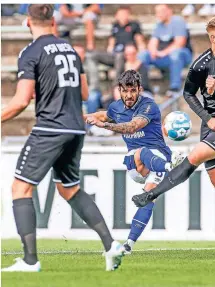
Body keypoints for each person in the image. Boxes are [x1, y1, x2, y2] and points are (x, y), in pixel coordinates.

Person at [1, 4, 125, 272]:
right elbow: (82, 92)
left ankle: (30, 261)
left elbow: (21, 101)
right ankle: (110, 244)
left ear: (27, 23)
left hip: (50, 128)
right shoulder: (70, 49)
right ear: (54, 21)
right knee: (69, 188)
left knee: (20, 189)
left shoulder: (30, 52)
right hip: (76, 128)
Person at [132, 16, 215, 248]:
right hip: (212, 123)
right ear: (213, 38)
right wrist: (207, 117)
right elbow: (188, 94)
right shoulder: (200, 64)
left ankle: (151, 195)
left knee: (194, 156)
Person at [84, 70, 184, 254]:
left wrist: (104, 125)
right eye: (125, 91)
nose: (128, 95)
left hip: (158, 158)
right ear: (119, 90)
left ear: (139, 89)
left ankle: (129, 243)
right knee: (141, 152)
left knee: (148, 199)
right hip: (135, 164)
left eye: (132, 90)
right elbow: (101, 114)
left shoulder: (149, 106)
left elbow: (132, 127)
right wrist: (78, 118)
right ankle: (171, 167)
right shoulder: (116, 108)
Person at [85, 6, 145, 115]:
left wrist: (139, 54)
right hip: (115, 55)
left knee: (119, 56)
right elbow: (111, 43)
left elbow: (140, 42)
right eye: (121, 14)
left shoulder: (134, 25)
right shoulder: (115, 25)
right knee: (91, 55)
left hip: (127, 54)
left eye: (125, 14)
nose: (123, 16)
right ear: (117, 16)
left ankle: (116, 85)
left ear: (129, 15)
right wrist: (109, 51)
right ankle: (94, 86)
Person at [139, 4, 193, 97]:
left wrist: (162, 53)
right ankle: (144, 88)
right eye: (156, 12)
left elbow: (180, 43)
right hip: (163, 56)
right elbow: (153, 42)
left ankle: (174, 88)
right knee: (143, 55)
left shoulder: (178, 21)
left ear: (169, 11)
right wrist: (153, 51)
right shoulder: (159, 24)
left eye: (160, 12)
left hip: (182, 56)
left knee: (175, 54)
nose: (158, 14)